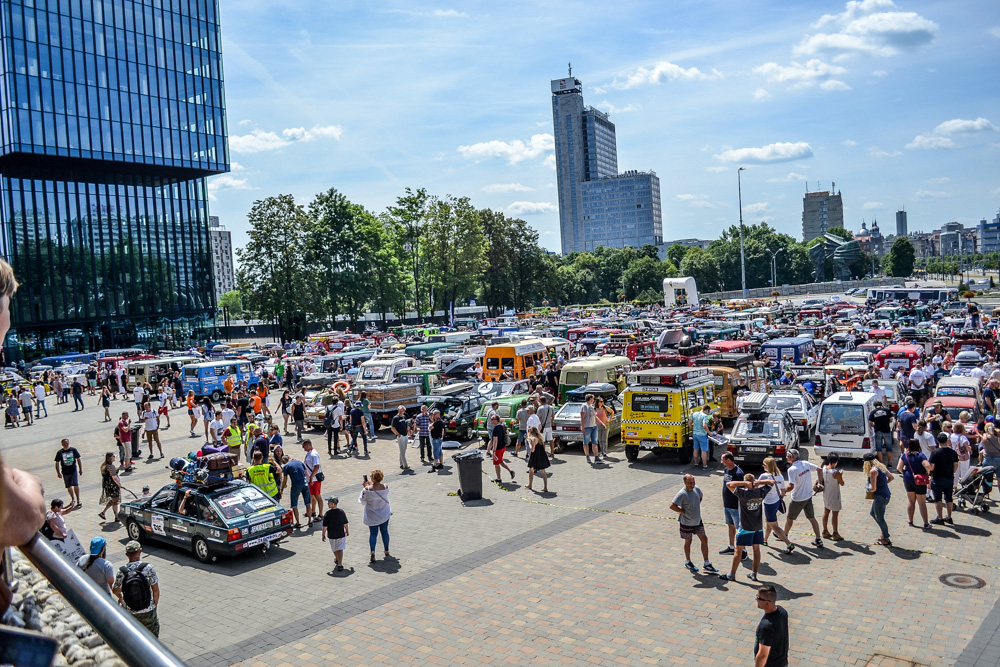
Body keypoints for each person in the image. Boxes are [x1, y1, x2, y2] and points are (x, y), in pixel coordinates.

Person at [720, 473, 775, 583]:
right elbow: (772, 482)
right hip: (758, 527)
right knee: (756, 549)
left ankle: (732, 574)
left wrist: (744, 483)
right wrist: (759, 482)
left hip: (745, 527)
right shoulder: (761, 492)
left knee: (738, 550)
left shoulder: (743, 493)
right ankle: (754, 574)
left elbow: (729, 484)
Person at [669, 474, 718, 574]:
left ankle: (707, 563)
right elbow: (672, 506)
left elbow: (700, 497)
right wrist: (681, 511)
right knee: (688, 541)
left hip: (697, 521)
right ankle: (688, 561)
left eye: (693, 482)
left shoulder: (697, 489)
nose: (692, 484)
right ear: (685, 483)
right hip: (686, 523)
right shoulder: (682, 494)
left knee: (704, 539)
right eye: (690, 483)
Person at [112, 541, 160, 637]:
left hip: (130, 611)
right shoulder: (148, 568)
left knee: (135, 636)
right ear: (140, 551)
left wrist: (122, 594)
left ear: (126, 554)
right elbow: (155, 590)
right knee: (152, 637)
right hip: (148, 609)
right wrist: (154, 605)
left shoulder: (122, 571)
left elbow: (115, 590)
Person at [783, 449, 824, 548]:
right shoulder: (805, 463)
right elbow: (819, 469)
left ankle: (784, 536)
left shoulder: (792, 470)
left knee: (789, 518)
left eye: (787, 456)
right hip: (808, 496)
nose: (786, 457)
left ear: (792, 458)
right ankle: (818, 539)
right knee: (812, 518)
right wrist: (820, 483)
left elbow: (791, 486)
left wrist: (782, 491)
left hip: (797, 499)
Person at [758, 457, 794, 554]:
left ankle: (788, 543)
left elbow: (756, 487)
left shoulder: (764, 476)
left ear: (767, 466)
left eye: (764, 464)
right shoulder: (780, 476)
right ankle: (765, 540)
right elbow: (782, 491)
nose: (763, 466)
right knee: (769, 521)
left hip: (769, 503)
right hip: (776, 502)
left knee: (774, 526)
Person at [897, 438, 931, 530]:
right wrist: (928, 472)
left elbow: (899, 468)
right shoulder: (920, 455)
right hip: (920, 480)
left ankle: (910, 520)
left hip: (908, 479)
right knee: (922, 503)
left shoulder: (905, 455)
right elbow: (927, 466)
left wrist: (905, 472)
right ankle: (926, 523)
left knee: (911, 501)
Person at [359, 469, 391, 563]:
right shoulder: (385, 487)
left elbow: (362, 499)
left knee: (373, 533)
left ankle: (372, 551)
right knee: (384, 531)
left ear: (372, 478)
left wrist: (366, 486)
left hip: (372, 514)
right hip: (384, 513)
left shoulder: (367, 490)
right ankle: (386, 550)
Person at [863, 452, 894, 546]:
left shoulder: (873, 471)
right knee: (873, 513)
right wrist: (883, 484)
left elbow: (873, 488)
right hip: (885, 494)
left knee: (880, 518)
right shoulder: (881, 467)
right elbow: (891, 477)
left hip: (880, 496)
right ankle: (884, 534)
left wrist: (867, 488)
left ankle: (885, 538)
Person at [754, 585, 789, 667]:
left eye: (758, 598)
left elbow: (763, 655)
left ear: (767, 602)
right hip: (782, 662)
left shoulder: (766, 626)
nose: (756, 599)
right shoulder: (782, 611)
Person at [929, 432, 959, 525]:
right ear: (947, 441)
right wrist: (952, 472)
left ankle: (940, 518)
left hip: (937, 478)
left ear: (937, 441)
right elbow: (956, 465)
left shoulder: (935, 453)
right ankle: (949, 517)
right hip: (949, 478)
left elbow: (932, 467)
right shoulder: (953, 452)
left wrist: (930, 475)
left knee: (937, 499)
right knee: (949, 498)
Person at [719, 452, 745, 556]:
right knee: (730, 526)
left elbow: (741, 490)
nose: (721, 462)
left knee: (739, 529)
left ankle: (743, 550)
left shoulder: (738, 473)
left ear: (729, 460)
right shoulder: (726, 470)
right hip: (727, 505)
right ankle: (731, 547)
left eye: (723, 460)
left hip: (735, 506)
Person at [817, 453, 845, 541]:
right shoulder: (835, 473)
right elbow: (842, 483)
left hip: (826, 493)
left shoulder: (824, 468)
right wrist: (840, 474)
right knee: (835, 514)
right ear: (836, 462)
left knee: (826, 511)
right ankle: (835, 533)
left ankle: (825, 531)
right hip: (834, 495)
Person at [321, 496, 350, 573]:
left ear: (333, 504)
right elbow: (345, 523)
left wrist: (323, 534)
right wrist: (347, 530)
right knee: (340, 549)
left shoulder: (327, 514)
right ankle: (339, 563)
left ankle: (338, 560)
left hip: (331, 534)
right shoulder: (341, 512)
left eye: (329, 503)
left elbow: (325, 526)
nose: (328, 504)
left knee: (334, 549)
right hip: (340, 533)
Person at [281, 454, 310, 528]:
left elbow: (285, 479)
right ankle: (310, 521)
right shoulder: (299, 462)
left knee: (294, 504)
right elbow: (306, 473)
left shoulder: (286, 466)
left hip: (296, 485)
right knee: (307, 503)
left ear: (284, 460)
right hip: (305, 483)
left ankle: (298, 522)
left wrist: (282, 489)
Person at [53, 438, 83, 509]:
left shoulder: (73, 450)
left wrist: (80, 469)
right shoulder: (60, 452)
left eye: (67, 443)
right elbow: (57, 463)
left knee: (75, 485)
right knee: (68, 486)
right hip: (65, 472)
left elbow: (78, 459)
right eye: (64, 443)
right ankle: (72, 499)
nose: (66, 444)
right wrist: (58, 473)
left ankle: (78, 499)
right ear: (62, 444)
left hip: (73, 471)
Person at [487, 413, 515, 483]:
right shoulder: (502, 426)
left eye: (492, 419)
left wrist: (493, 450)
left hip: (498, 449)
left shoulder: (496, 429)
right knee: (500, 461)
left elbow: (495, 441)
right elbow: (508, 433)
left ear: (496, 420)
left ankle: (498, 479)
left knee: (496, 464)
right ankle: (510, 471)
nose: (491, 420)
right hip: (503, 447)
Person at [302, 440, 324, 526]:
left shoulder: (313, 454)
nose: (303, 449)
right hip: (311, 479)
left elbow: (317, 466)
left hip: (314, 479)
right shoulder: (310, 452)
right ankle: (313, 511)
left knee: (317, 496)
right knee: (312, 496)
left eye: (304, 447)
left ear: (307, 446)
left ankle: (321, 514)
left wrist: (311, 477)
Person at [98, 452, 123, 523]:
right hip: (113, 486)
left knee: (114, 500)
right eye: (113, 456)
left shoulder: (104, 465)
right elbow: (114, 477)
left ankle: (112, 515)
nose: (114, 457)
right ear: (109, 458)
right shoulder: (110, 467)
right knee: (115, 500)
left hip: (108, 486)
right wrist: (119, 485)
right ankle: (114, 516)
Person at [869, 400, 895, 467]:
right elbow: (891, 419)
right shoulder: (886, 410)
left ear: (874, 406)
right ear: (881, 404)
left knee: (879, 449)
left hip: (878, 431)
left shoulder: (873, 412)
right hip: (886, 431)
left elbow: (870, 423)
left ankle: (881, 463)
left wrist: (874, 426)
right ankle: (889, 463)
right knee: (889, 448)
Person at [525, 425, 550, 492]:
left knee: (531, 470)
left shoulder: (533, 439)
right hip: (541, 455)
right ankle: (545, 487)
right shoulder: (540, 437)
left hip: (535, 456)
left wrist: (529, 442)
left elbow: (532, 449)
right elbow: (543, 446)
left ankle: (530, 484)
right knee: (543, 471)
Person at [951, 422, 972, 490]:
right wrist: (970, 449)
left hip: (954, 456)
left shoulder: (952, 436)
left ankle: (954, 487)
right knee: (964, 472)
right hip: (963, 457)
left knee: (956, 472)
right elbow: (966, 445)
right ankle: (964, 487)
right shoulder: (963, 437)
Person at [580, 393, 599, 464]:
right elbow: (582, 417)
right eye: (593, 398)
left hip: (594, 426)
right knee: (586, 442)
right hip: (587, 427)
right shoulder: (584, 406)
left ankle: (596, 457)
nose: (593, 400)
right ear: (590, 399)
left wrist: (601, 423)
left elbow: (594, 416)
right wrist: (583, 427)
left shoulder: (591, 406)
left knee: (595, 442)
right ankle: (587, 456)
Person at [691, 404, 712, 470]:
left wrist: (693, 429)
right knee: (704, 450)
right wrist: (709, 433)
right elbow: (704, 426)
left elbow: (689, 422)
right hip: (702, 435)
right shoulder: (704, 416)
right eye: (708, 411)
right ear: (706, 410)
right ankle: (705, 466)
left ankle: (696, 464)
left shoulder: (695, 414)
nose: (708, 413)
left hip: (695, 434)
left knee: (695, 449)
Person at [390, 406, 411, 471]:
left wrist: (408, 432)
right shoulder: (395, 418)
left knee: (404, 450)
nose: (401, 412)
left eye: (402, 410)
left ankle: (401, 463)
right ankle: (405, 465)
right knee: (402, 451)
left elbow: (405, 425)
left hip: (405, 435)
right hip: (400, 436)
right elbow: (392, 428)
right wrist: (398, 434)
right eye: (399, 410)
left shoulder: (404, 417)